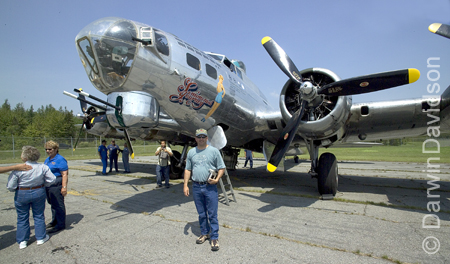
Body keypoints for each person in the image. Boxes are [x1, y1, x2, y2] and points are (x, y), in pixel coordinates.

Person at [183, 128, 226, 251]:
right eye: (199, 137)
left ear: (207, 138)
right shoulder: (191, 152)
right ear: (195, 138)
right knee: (201, 214)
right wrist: (185, 185)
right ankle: (204, 233)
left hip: (210, 187)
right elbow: (188, 169)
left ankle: (214, 237)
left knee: (212, 214)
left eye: (203, 136)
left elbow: (221, 167)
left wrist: (217, 179)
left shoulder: (214, 151)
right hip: (196, 186)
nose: (201, 139)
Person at [7, 146, 56, 249]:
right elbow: (52, 180)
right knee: (38, 215)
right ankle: (40, 238)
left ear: (24, 156)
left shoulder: (18, 169)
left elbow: (10, 186)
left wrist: (16, 188)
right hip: (38, 191)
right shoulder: (43, 167)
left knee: (22, 217)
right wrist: (43, 185)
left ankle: (22, 241)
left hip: (22, 193)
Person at [44, 140, 69, 234]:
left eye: (50, 149)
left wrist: (64, 187)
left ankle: (60, 224)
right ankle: (55, 221)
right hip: (48, 185)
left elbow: (65, 174)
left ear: (55, 149)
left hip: (56, 184)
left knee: (58, 204)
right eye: (46, 149)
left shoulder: (60, 159)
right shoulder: (48, 159)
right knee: (53, 203)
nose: (47, 151)